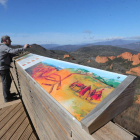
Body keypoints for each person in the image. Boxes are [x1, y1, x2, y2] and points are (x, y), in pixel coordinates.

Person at [0, 35, 31, 102]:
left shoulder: (3, 46)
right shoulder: (3, 46)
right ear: (5, 41)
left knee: (8, 81)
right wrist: (24, 48)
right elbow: (13, 51)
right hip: (3, 68)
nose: (11, 41)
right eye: (9, 39)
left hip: (4, 67)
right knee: (5, 82)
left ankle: (8, 95)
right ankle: (7, 98)